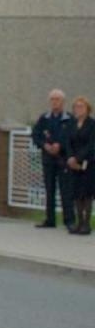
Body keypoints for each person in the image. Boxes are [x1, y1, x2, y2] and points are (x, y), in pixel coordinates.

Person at [30, 89, 74, 230]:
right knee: (49, 189)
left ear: (63, 102)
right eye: (53, 99)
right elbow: (36, 134)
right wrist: (45, 145)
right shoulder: (45, 118)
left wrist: (60, 145)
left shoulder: (69, 119)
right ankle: (50, 219)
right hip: (48, 159)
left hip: (63, 159)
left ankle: (69, 220)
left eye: (58, 99)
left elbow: (72, 137)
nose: (55, 102)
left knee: (65, 190)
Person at [66, 95, 95, 235]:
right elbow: (68, 142)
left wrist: (79, 158)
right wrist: (71, 157)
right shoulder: (72, 124)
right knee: (76, 193)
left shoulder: (92, 124)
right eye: (75, 107)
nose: (77, 109)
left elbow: (91, 145)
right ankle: (79, 222)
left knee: (86, 194)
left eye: (80, 106)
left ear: (88, 109)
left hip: (88, 163)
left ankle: (87, 224)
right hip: (73, 163)